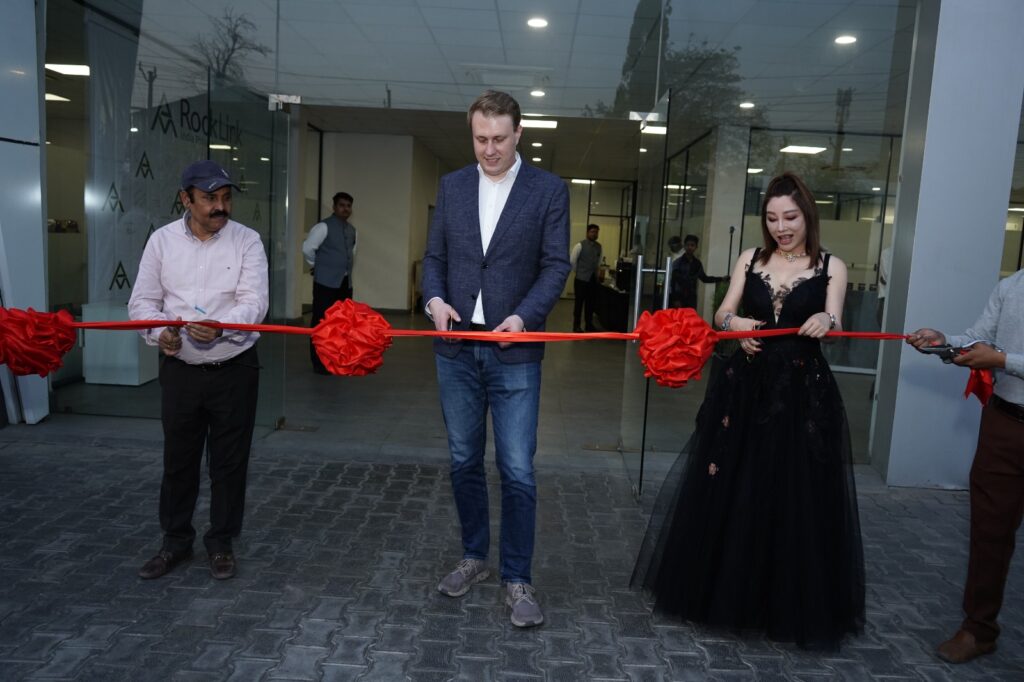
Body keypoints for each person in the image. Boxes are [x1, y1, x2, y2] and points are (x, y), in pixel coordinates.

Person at [631, 172, 865, 649]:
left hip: (802, 393)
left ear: (807, 216)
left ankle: (785, 602)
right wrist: (737, 324)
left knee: (795, 493)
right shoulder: (750, 258)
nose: (782, 227)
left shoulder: (831, 266)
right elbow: (721, 314)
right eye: (773, 218)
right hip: (745, 390)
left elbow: (836, 323)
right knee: (740, 486)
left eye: (790, 217)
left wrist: (826, 318)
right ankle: (731, 596)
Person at [421, 90, 570, 628]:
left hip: (515, 349)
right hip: (457, 348)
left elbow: (555, 266)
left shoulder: (548, 190)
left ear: (518, 134)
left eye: (499, 139)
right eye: (480, 138)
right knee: (463, 460)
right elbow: (434, 257)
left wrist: (525, 317)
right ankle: (473, 557)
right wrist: (434, 301)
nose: (489, 149)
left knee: (517, 468)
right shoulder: (453, 185)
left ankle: (517, 578)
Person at [129, 160, 269, 581]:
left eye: (225, 198)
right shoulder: (161, 242)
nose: (220, 207)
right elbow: (142, 303)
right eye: (209, 198)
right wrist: (161, 333)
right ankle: (175, 542)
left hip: (235, 369)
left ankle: (221, 542)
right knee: (179, 461)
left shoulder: (247, 241)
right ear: (185, 199)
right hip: (182, 371)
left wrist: (222, 326)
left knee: (229, 463)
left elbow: (254, 302)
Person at [906, 270, 1024, 664]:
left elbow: (996, 356)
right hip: (1004, 423)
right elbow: (979, 339)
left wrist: (1003, 361)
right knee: (990, 531)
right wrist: (943, 342)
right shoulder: (1012, 286)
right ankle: (979, 629)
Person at [303, 192, 357, 374]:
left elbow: (352, 254)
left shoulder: (352, 230)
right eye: (342, 205)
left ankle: (336, 359)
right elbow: (308, 248)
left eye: (348, 206)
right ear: (334, 207)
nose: (345, 209)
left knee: (341, 323)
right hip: (325, 284)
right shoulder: (323, 227)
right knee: (321, 322)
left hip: (345, 283)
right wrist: (317, 266)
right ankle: (319, 362)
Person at [668, 234, 727, 309]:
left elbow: (704, 278)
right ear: (684, 246)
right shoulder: (678, 262)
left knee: (690, 316)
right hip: (678, 298)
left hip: (691, 298)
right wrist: (675, 299)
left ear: (696, 247)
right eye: (688, 245)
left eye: (692, 245)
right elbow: (673, 282)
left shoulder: (697, 263)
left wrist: (721, 279)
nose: (690, 247)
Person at [570, 224, 602, 332]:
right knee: (579, 303)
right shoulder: (580, 245)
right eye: (592, 232)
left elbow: (598, 262)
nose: (594, 234)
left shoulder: (599, 246)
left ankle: (589, 325)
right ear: (587, 233)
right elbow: (572, 261)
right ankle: (576, 326)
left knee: (590, 304)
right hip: (581, 280)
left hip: (592, 280)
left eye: (596, 232)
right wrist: (579, 272)